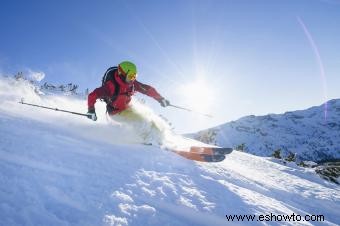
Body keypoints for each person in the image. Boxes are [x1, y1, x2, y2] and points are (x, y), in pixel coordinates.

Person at [87, 61, 170, 121]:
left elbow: (148, 90)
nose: (132, 79)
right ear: (121, 74)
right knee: (140, 121)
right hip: (116, 112)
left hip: (127, 108)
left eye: (134, 76)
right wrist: (91, 110)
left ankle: (155, 138)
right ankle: (143, 139)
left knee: (149, 117)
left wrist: (160, 99)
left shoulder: (132, 84)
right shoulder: (111, 86)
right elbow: (93, 95)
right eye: (130, 76)